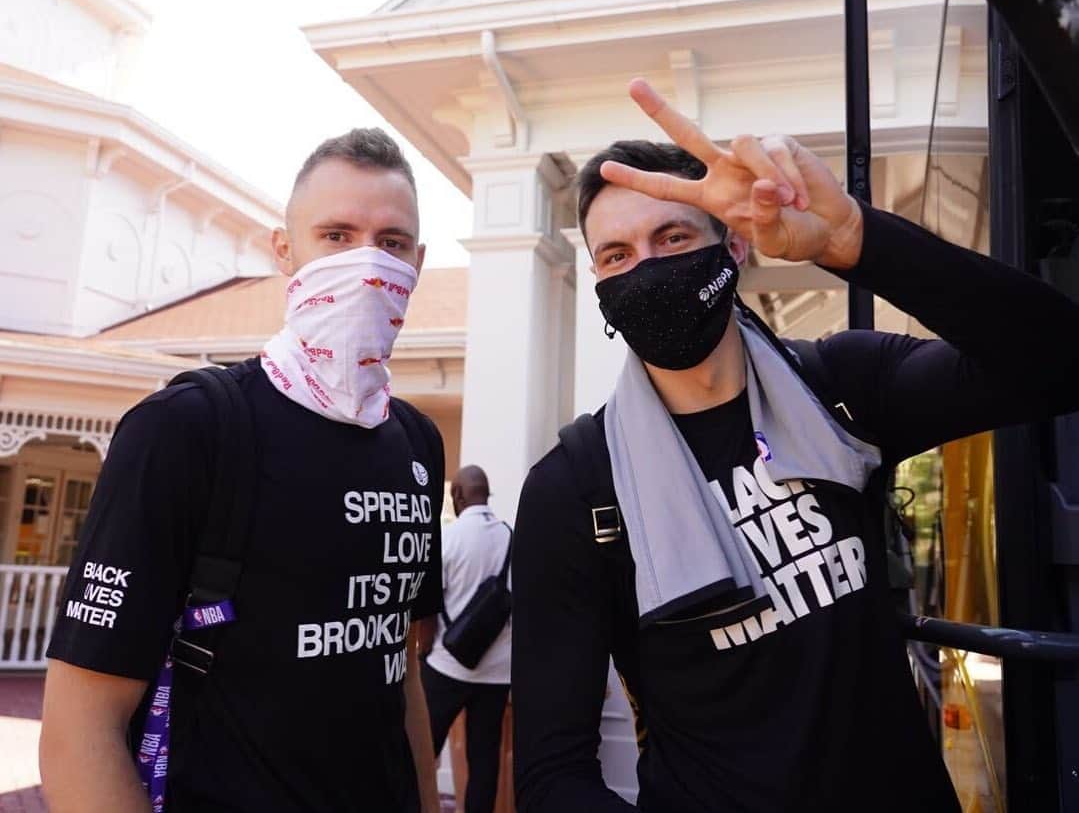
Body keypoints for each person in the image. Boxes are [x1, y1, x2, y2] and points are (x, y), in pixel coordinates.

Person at [511, 79, 1079, 813]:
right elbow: (551, 772)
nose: (644, 269)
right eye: (615, 256)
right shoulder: (576, 486)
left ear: (734, 244)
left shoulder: (841, 386)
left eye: (673, 237)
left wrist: (854, 241)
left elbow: (1059, 360)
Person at [40, 128, 444, 813]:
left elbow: (398, 666)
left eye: (392, 242)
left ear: (418, 259)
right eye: (336, 235)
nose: (368, 265)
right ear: (284, 250)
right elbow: (80, 726)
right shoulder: (186, 429)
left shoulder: (415, 441)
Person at [417, 465, 512, 813]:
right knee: (484, 759)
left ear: (457, 495)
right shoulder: (512, 538)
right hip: (498, 674)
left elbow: (427, 606)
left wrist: (422, 653)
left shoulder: (450, 537)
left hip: (447, 666)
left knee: (422, 750)